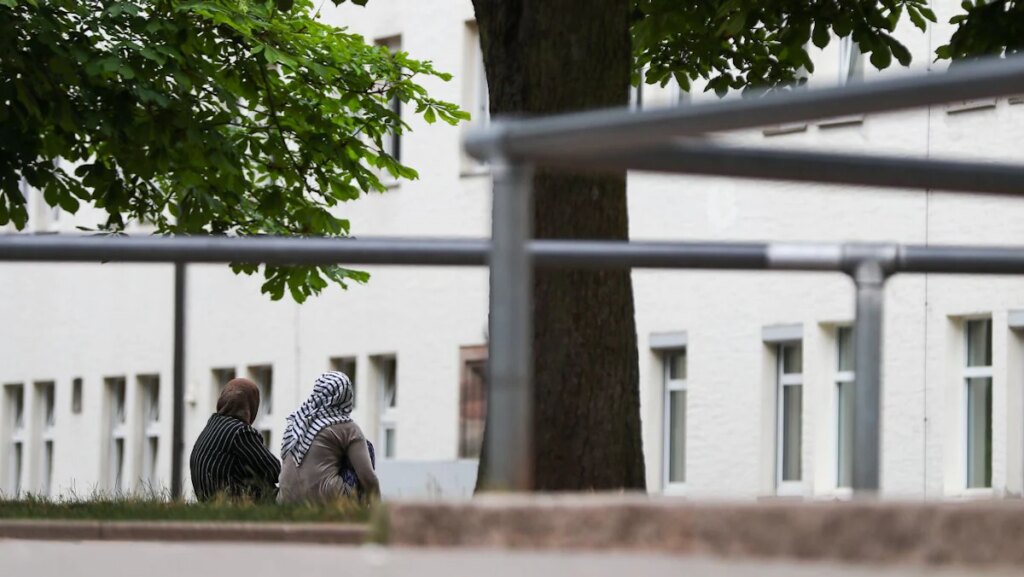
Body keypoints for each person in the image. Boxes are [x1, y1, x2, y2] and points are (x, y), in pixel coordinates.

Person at [278, 371, 380, 503]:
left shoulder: (297, 421)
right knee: (367, 447)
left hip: (284, 501)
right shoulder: (347, 428)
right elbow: (368, 478)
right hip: (325, 501)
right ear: (346, 395)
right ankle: (358, 514)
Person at [190, 378, 281, 502]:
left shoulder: (212, 426)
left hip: (210, 503)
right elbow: (274, 470)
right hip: (235, 504)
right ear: (250, 405)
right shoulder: (240, 432)